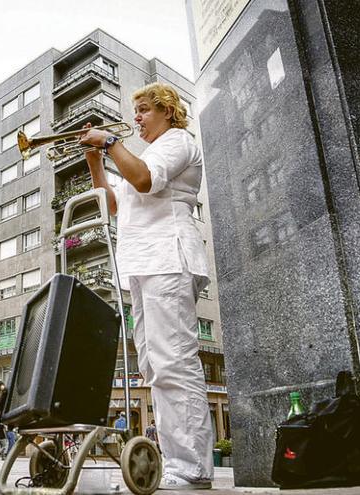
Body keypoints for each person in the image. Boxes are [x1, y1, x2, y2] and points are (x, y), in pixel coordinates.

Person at [79, 82, 213, 490]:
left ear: (167, 111)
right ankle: (178, 461)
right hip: (146, 263)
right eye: (134, 110)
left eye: (143, 110)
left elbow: (143, 181)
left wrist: (112, 141)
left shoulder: (177, 141)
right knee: (155, 363)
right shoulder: (149, 150)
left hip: (168, 258)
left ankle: (191, 467)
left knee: (174, 360)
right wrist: (93, 159)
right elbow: (113, 201)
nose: (135, 117)